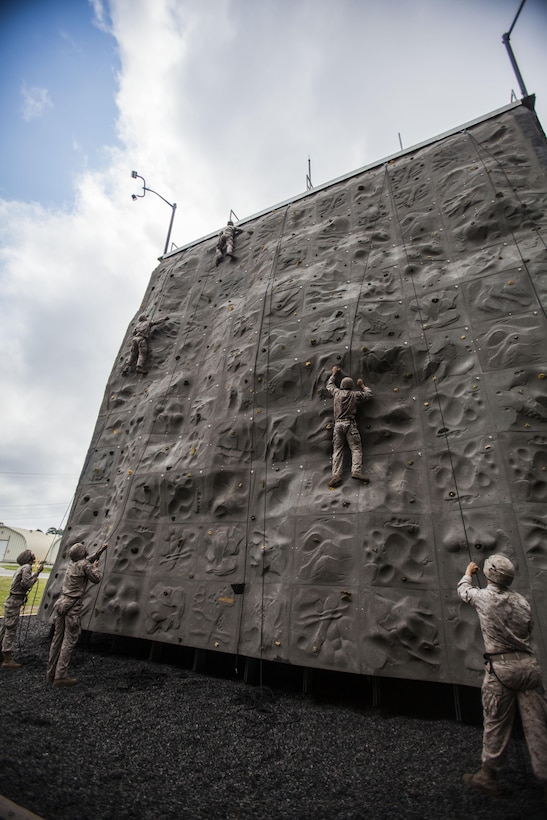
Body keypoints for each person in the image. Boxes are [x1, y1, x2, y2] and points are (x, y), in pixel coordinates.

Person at [457, 555, 547, 798]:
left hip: (502, 668)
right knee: (539, 724)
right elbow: (528, 629)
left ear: (489, 575)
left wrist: (467, 572)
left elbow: (464, 591)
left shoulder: (484, 597)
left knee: (496, 721)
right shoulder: (521, 601)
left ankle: (489, 776)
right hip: (529, 667)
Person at [46, 542, 107, 686]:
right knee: (68, 640)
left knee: (57, 640)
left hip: (61, 603)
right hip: (73, 606)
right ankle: (60, 676)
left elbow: (86, 561)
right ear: (81, 552)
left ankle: (50, 674)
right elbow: (96, 578)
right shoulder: (85, 566)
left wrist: (100, 551)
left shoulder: (72, 564)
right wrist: (96, 568)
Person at [325, 365, 372, 489]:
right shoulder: (355, 394)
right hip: (350, 425)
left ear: (341, 385)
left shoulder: (336, 392)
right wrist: (362, 385)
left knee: (337, 450)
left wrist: (334, 374)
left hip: (338, 424)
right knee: (356, 448)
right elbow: (368, 394)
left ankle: (336, 474)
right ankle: (356, 471)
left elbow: (329, 385)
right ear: (351, 386)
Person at [1, 550, 44, 669]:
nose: (34, 555)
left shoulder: (22, 568)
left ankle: (2, 652)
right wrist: (35, 579)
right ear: (28, 557)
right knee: (10, 629)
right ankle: (7, 658)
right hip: (14, 602)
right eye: (31, 553)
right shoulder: (27, 568)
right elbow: (26, 584)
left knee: (5, 627)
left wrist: (37, 573)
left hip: (12, 601)